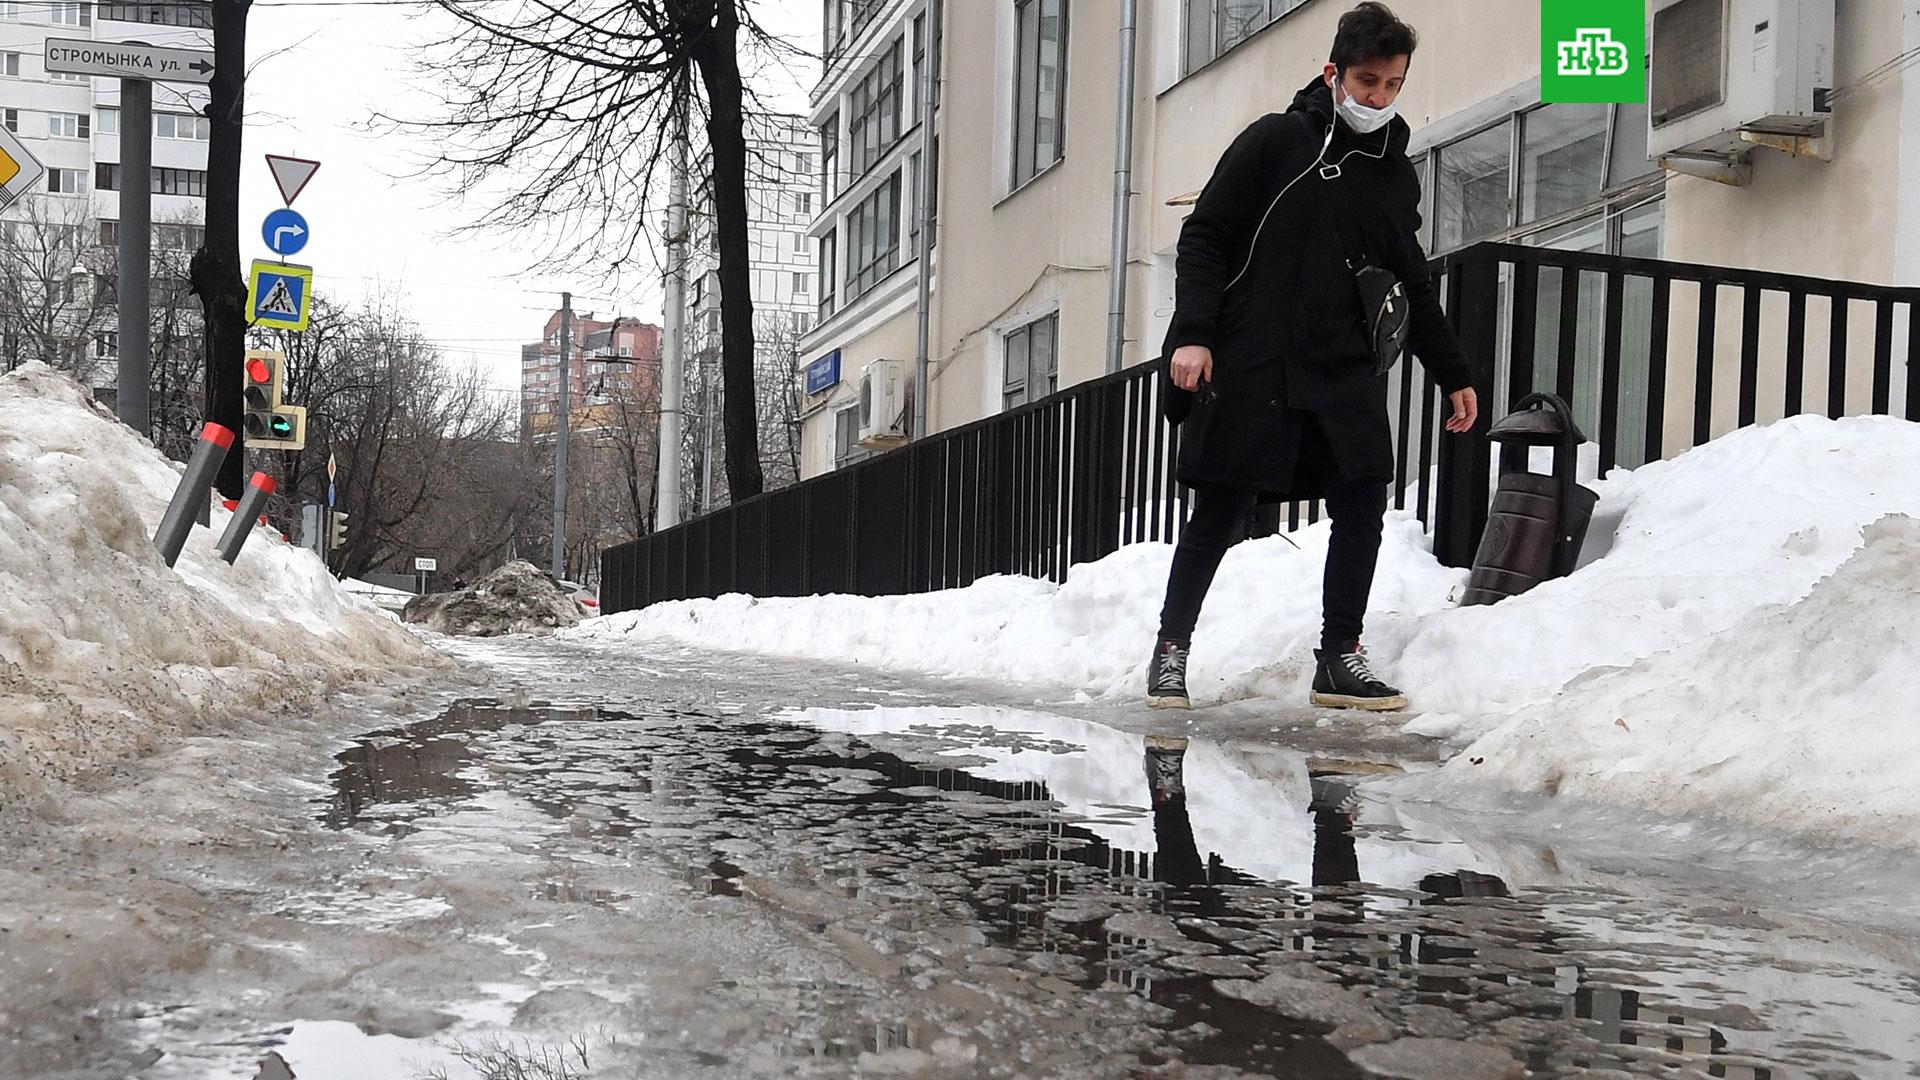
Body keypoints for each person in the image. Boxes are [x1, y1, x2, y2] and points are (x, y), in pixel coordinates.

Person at [1147, 2, 1479, 713]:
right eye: (1367, 81)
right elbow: (1204, 238)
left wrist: (1452, 371)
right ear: (1333, 72)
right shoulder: (1275, 143)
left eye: (1392, 85)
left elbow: (1410, 281)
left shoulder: (1394, 175)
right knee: (1223, 505)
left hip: (1340, 366)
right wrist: (1197, 333)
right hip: (1255, 358)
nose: (1379, 98)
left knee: (1363, 495)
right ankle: (1171, 652)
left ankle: (1339, 657)